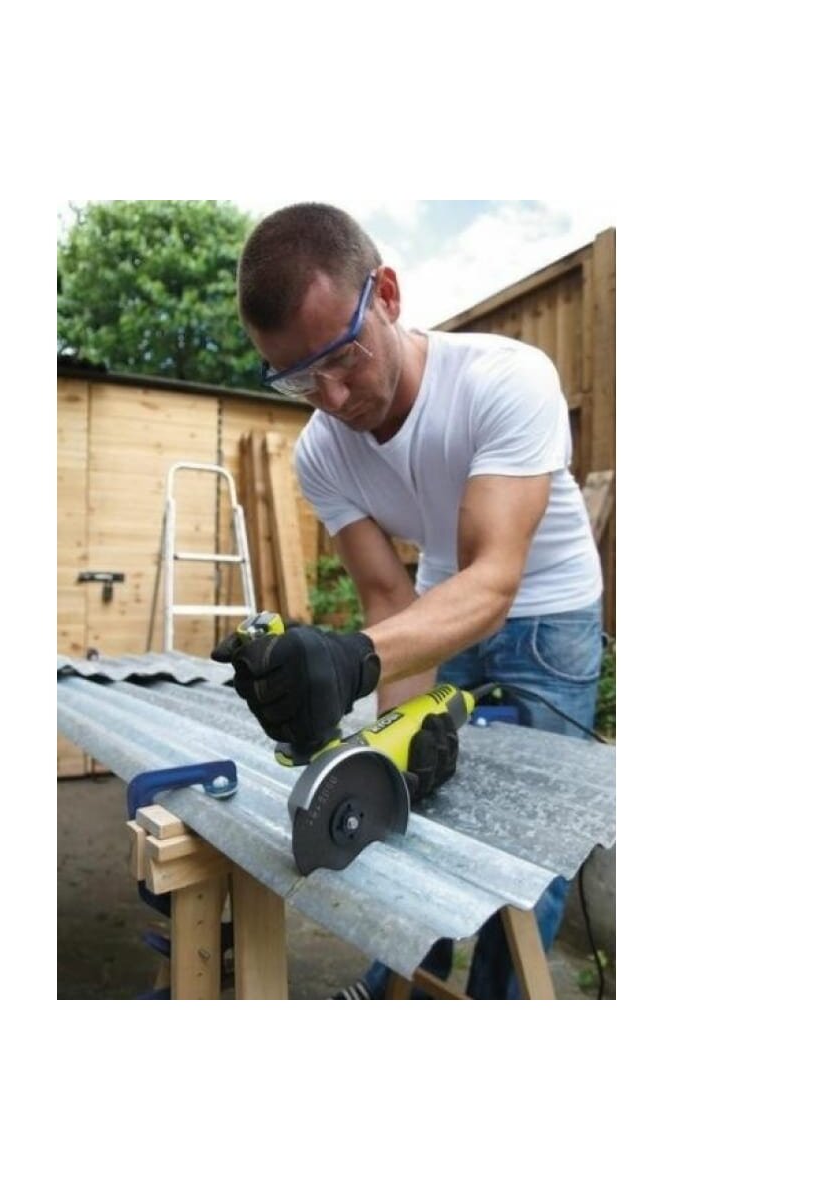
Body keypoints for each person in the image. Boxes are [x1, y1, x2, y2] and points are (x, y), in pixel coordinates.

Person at [212, 202, 604, 999]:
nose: (331, 395)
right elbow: (388, 597)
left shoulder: (504, 380)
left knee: (526, 851)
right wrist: (378, 757)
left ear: (386, 294)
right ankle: (397, 977)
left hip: (547, 620)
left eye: (341, 355)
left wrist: (350, 662)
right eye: (298, 377)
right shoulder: (321, 454)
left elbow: (494, 579)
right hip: (435, 608)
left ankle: (497, 999)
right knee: (414, 797)